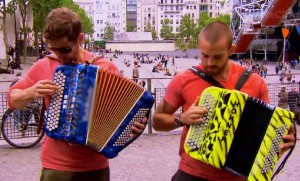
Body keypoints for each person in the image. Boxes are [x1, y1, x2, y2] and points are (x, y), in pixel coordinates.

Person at [8, 7, 147, 181]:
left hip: (95, 167)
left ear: (80, 38)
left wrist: (133, 126)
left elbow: (124, 115)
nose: (59, 56)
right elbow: (12, 99)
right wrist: (30, 92)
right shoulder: (43, 65)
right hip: (56, 167)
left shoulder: (106, 67)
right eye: (53, 49)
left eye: (65, 49)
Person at [152, 21, 295, 181]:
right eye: (204, 55)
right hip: (192, 175)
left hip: (238, 177)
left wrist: (280, 142)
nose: (209, 63)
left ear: (231, 50)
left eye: (217, 57)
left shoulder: (255, 82)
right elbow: (157, 121)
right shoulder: (183, 80)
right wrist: (181, 119)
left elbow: (266, 130)